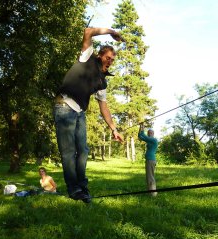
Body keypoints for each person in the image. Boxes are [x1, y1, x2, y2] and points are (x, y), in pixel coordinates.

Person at [54, 27, 125, 203]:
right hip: (64, 106)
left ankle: (82, 187)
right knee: (69, 152)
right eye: (108, 57)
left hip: (79, 113)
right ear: (100, 55)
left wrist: (114, 129)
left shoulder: (103, 81)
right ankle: (74, 190)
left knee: (83, 151)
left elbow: (104, 107)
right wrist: (110, 31)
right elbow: (87, 32)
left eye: (113, 60)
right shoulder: (87, 58)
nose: (110, 61)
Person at [138, 124, 159, 196]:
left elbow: (143, 135)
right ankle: (150, 191)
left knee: (150, 176)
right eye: (148, 133)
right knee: (148, 176)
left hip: (151, 160)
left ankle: (153, 193)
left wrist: (142, 127)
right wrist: (140, 127)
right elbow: (140, 136)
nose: (149, 134)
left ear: (153, 134)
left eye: (151, 133)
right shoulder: (149, 140)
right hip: (148, 160)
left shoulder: (154, 140)